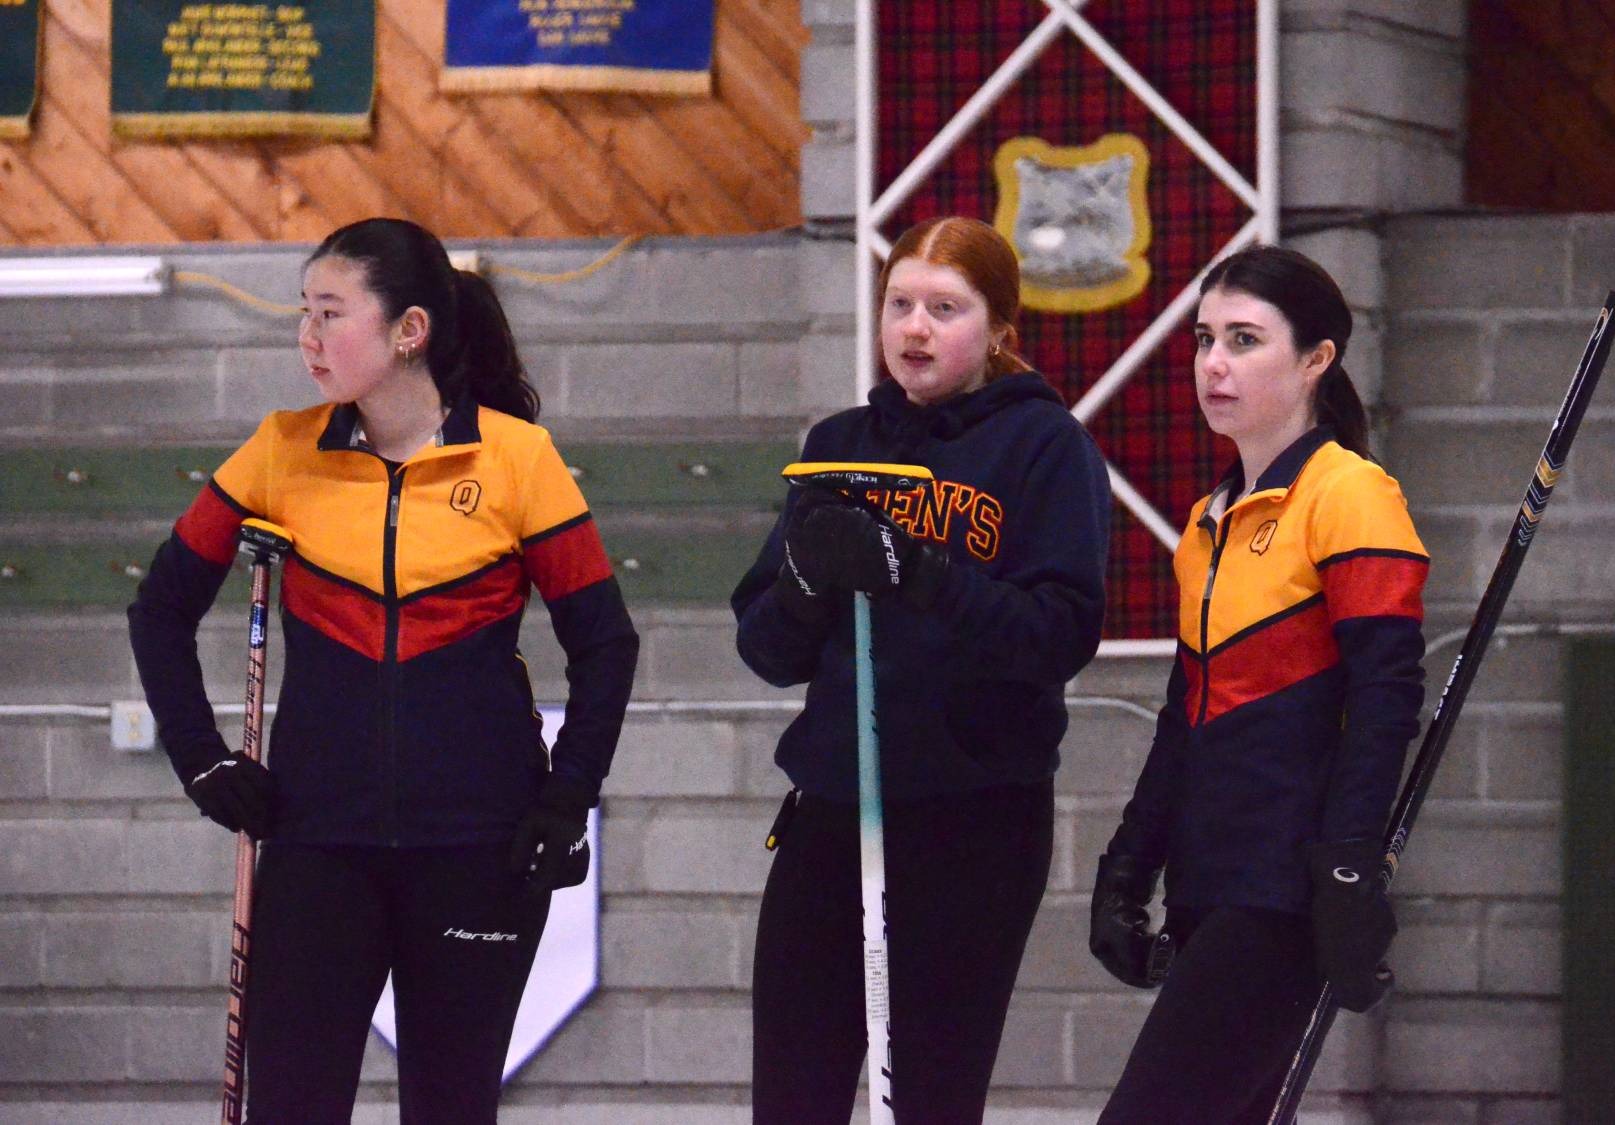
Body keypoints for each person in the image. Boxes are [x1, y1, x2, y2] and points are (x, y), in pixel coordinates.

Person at [127, 217, 639, 1123]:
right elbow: (159, 608)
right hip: (318, 847)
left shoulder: (518, 459)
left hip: (480, 849)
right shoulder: (281, 450)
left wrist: (566, 797)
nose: (307, 337)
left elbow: (605, 642)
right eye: (303, 313)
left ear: (409, 331)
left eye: (331, 313)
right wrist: (200, 758)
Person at [731, 215, 1111, 1122]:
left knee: (930, 1101)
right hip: (833, 812)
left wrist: (924, 575)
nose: (913, 328)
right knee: (792, 1094)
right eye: (899, 304)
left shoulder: (1045, 448)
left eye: (945, 308)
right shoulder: (834, 444)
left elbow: (1058, 634)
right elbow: (766, 648)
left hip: (971, 824)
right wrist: (806, 581)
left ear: (998, 328)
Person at [1088, 245, 1429, 1123]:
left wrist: (1348, 866)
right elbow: (1183, 717)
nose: (1214, 363)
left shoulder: (1350, 494)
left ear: (1316, 359)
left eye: (1244, 339)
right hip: (1207, 882)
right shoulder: (1206, 524)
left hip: (1281, 889)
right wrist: (1127, 867)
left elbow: (1385, 696)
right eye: (1205, 338)